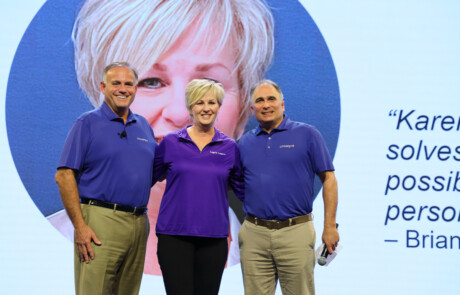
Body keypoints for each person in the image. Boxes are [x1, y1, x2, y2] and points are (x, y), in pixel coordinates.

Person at [48, 0, 275, 275]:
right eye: (150, 82)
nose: (182, 112)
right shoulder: (34, 256)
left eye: (208, 85)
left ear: (243, 109)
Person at [55, 62, 157, 294]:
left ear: (135, 88)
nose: (123, 89)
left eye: (128, 84)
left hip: (139, 223)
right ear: (103, 86)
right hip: (100, 221)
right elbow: (64, 175)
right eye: (116, 83)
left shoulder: (144, 126)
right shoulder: (87, 124)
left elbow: (147, 174)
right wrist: (80, 226)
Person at [238, 80, 340, 295]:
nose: (266, 105)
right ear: (252, 109)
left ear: (282, 105)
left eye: (271, 99)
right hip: (254, 234)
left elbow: (329, 179)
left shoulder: (307, 135)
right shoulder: (244, 143)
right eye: (260, 100)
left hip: (295, 231)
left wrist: (330, 225)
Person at [153, 79, 244, 294]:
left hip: (213, 238)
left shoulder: (230, 147)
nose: (206, 108)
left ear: (219, 107)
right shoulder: (170, 142)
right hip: (174, 237)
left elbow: (240, 188)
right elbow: (146, 178)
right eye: (199, 102)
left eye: (212, 102)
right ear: (190, 107)